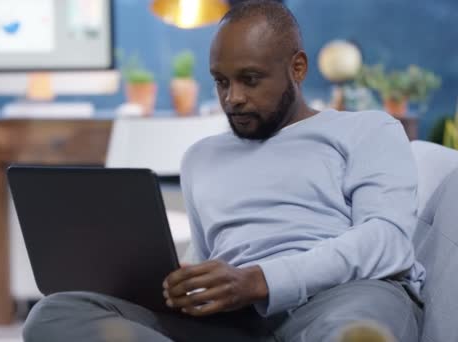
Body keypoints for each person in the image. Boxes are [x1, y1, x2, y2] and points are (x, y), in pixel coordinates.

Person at [22, 1, 425, 341]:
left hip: (335, 297)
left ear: (297, 68)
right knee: (55, 313)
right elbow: (208, 254)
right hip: (233, 321)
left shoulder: (365, 130)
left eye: (250, 80)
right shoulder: (201, 157)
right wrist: (187, 281)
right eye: (221, 82)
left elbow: (386, 241)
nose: (233, 98)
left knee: (361, 322)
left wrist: (260, 280)